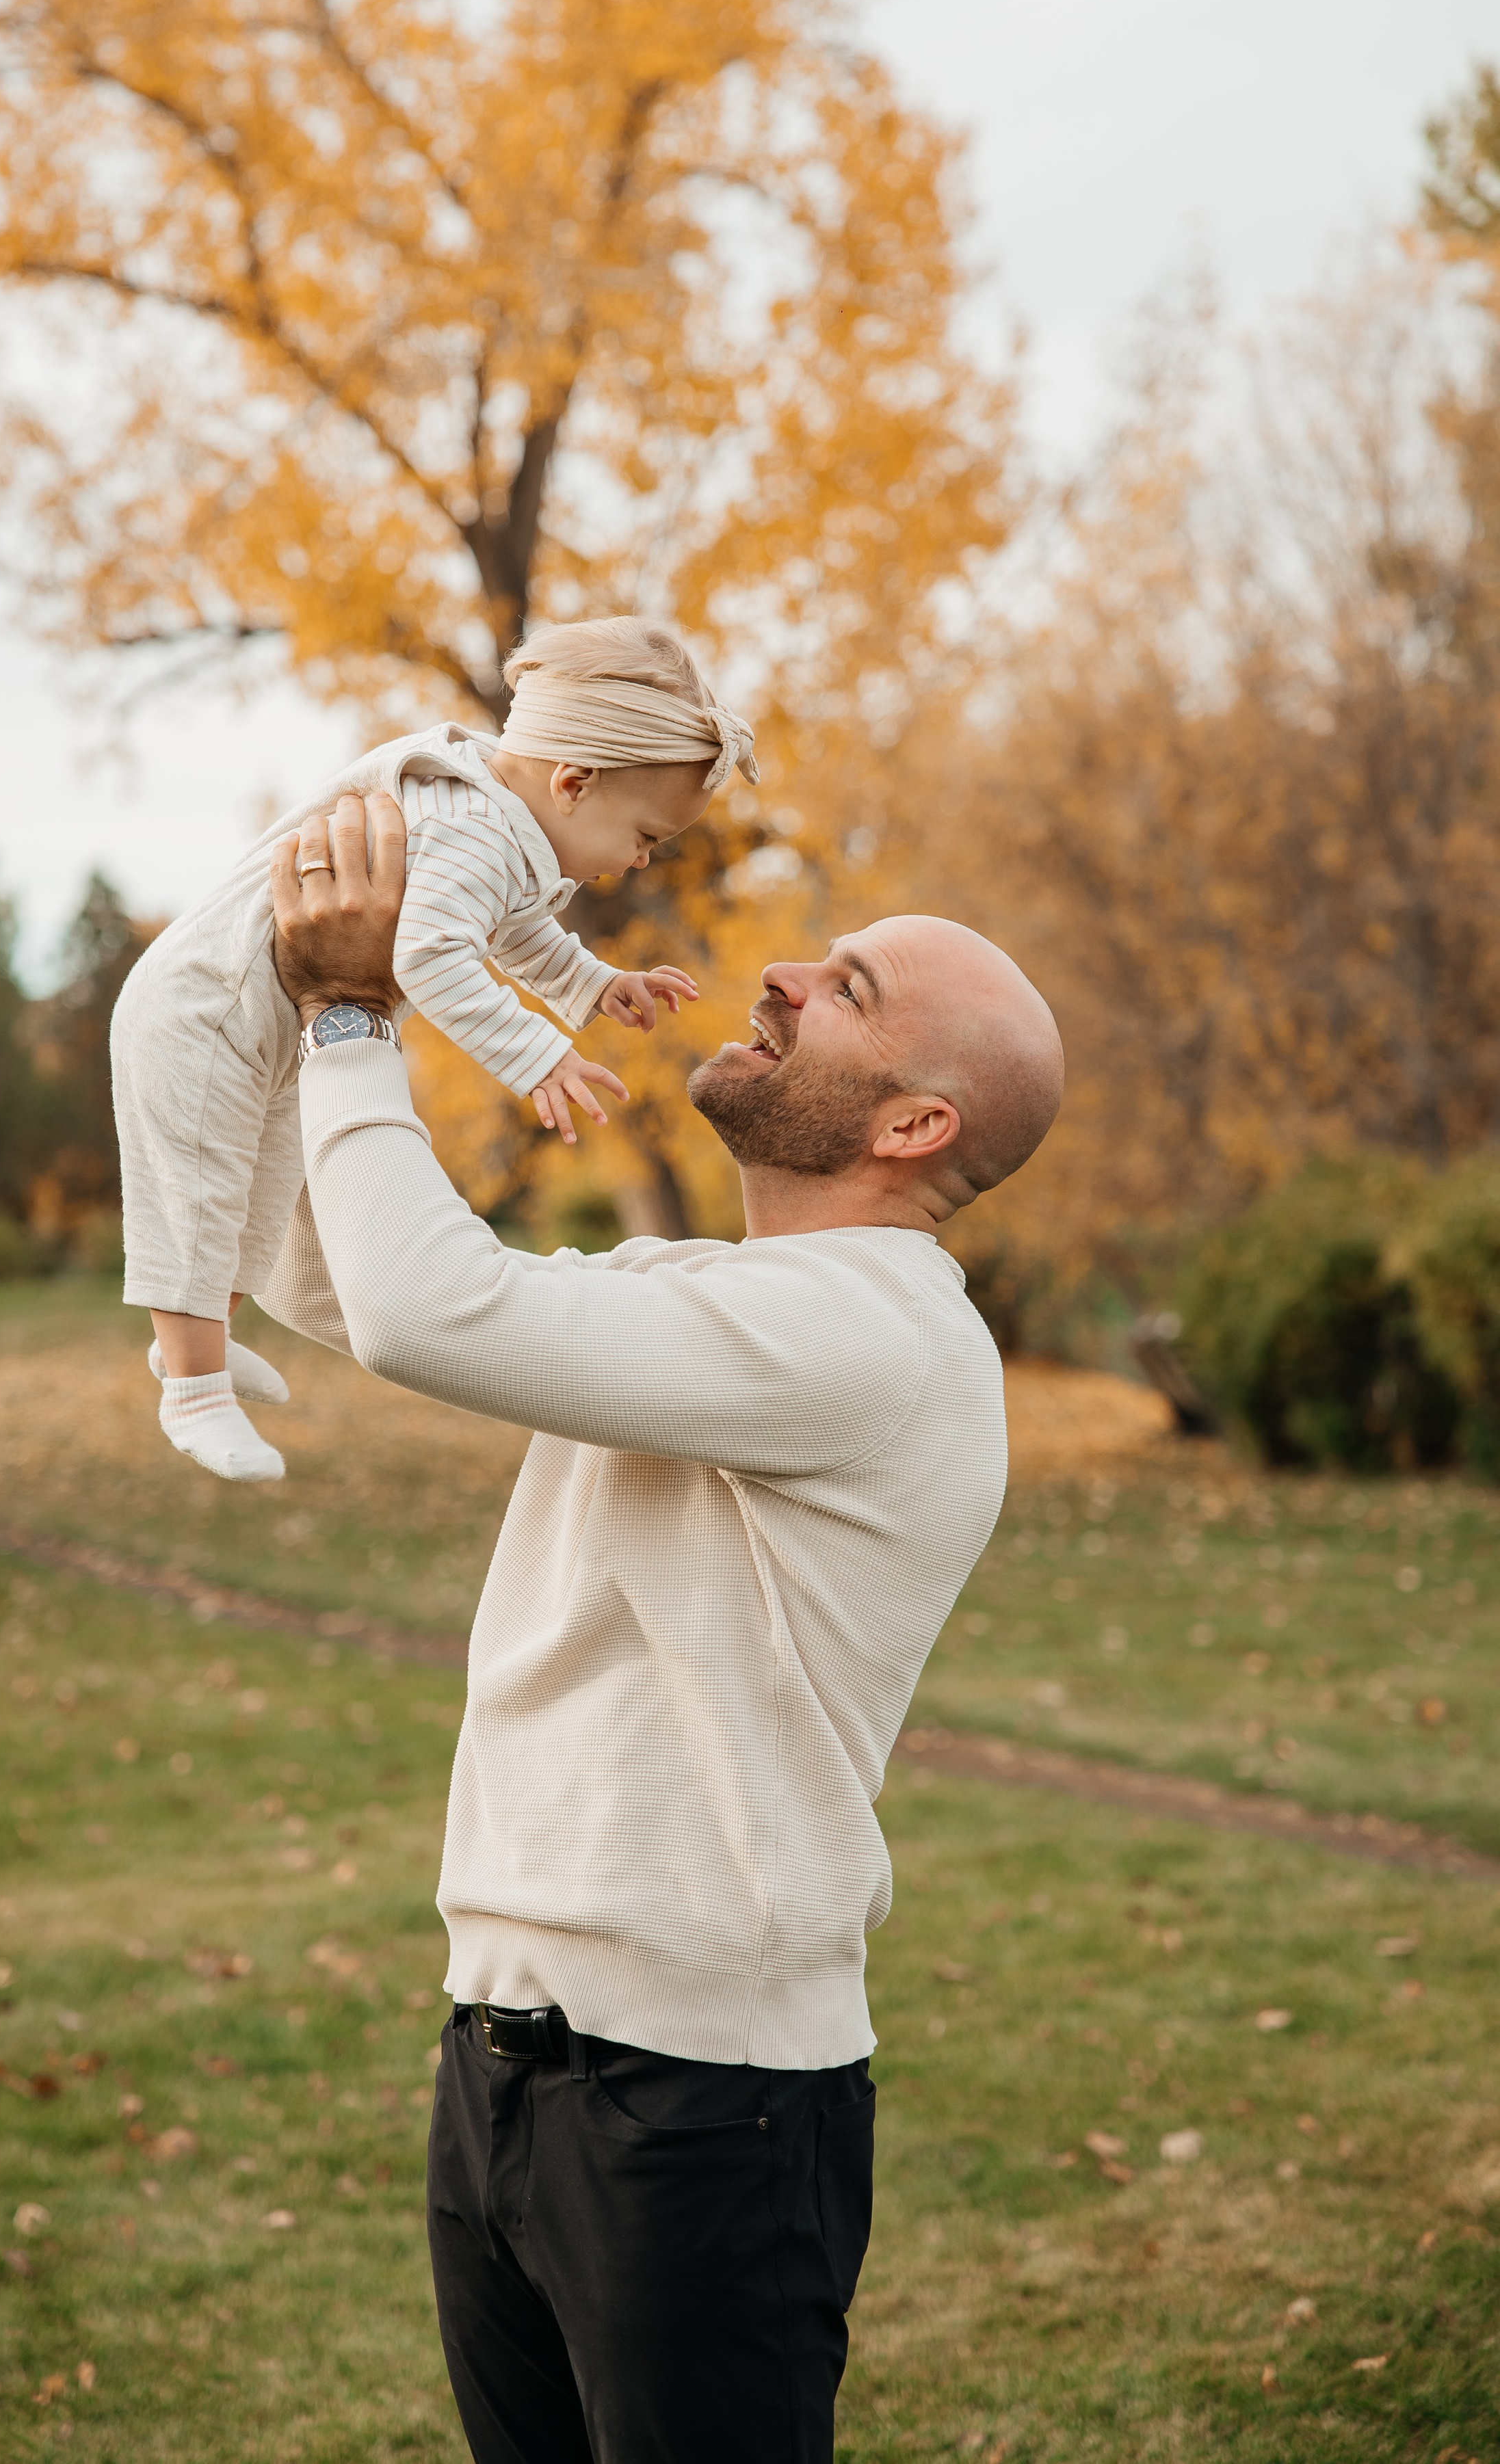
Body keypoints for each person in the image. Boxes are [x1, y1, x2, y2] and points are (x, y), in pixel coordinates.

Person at [259, 792, 1065, 2464]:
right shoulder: (693, 1295)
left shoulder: (873, 1336)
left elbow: (423, 1311)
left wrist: (358, 1015)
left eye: (842, 985)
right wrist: (261, 1010)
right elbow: (341, 1278)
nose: (775, 974)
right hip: (500, 2058)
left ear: (914, 1121)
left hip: (700, 2103)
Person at [109, 617, 754, 1481]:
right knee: (200, 1192)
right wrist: (539, 1057)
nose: (640, 863)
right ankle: (192, 1392)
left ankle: (201, 1344)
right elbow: (430, 952)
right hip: (208, 1011)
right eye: (644, 838)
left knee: (261, 1193)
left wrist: (594, 986)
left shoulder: (506, 828)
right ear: (572, 783)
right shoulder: (475, 830)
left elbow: (514, 930)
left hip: (269, 1020)